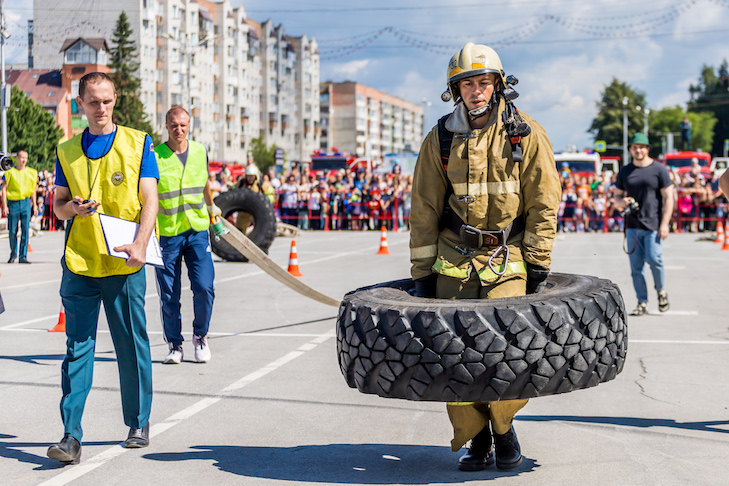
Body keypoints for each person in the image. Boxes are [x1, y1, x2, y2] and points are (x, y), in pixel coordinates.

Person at [409, 43, 560, 471]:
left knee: (507, 352)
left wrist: (538, 261)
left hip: (506, 259)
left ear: (498, 84)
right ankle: (475, 438)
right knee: (453, 353)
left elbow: (544, 201)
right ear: (455, 90)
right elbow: (423, 206)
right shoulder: (439, 138)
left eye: (483, 82)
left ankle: (503, 428)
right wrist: (421, 272)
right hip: (452, 259)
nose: (476, 91)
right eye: (467, 83)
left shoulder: (524, 133)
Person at [47, 72, 159, 464]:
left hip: (124, 263)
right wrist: (71, 209)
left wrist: (142, 244)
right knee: (77, 349)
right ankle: (70, 436)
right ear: (80, 104)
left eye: (107, 101)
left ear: (115, 100)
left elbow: (150, 200)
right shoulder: (66, 151)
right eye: (93, 101)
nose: (100, 108)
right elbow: (59, 205)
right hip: (79, 262)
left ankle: (138, 421)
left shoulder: (138, 142)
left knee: (130, 345)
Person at [155, 106, 219, 364]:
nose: (178, 129)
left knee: (204, 286)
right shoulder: (155, 155)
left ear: (189, 125)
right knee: (169, 293)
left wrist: (211, 204)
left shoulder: (200, 151)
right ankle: (174, 345)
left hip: (197, 230)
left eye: (182, 125)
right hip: (168, 232)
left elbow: (203, 180)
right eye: (173, 125)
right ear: (166, 126)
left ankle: (200, 337)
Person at [612, 132, 673, 316]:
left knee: (655, 260)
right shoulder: (625, 171)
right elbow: (616, 196)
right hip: (632, 226)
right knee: (636, 268)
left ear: (647, 149)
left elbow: (668, 197)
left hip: (653, 224)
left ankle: (661, 292)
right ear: (630, 149)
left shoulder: (659, 169)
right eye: (634, 147)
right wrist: (622, 202)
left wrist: (665, 223)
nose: (638, 150)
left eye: (641, 147)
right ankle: (642, 302)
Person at [2, 150, 38, 263]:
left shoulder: (32, 172)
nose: (24, 160)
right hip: (13, 203)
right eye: (22, 157)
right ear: (17, 158)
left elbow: (33, 190)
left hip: (25, 202)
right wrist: (4, 205)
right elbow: (4, 189)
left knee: (25, 230)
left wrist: (35, 205)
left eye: (26, 158)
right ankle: (13, 254)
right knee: (12, 230)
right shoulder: (9, 172)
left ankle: (23, 256)